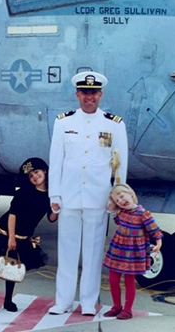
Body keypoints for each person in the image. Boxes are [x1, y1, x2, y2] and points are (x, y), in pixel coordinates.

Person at [48, 71, 128, 316]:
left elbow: (120, 164)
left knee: (93, 254)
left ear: (100, 94)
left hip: (98, 197)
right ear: (77, 94)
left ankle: (88, 303)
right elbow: (56, 160)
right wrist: (55, 195)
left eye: (93, 93)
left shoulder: (114, 124)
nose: (88, 97)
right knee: (67, 251)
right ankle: (63, 301)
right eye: (84, 92)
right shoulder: (64, 122)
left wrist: (117, 197)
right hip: (69, 196)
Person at [0, 157, 58, 314]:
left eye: (36, 172)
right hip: (7, 230)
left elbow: (51, 218)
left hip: (24, 235)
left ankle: (8, 299)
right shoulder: (24, 192)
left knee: (13, 265)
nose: (35, 177)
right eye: (31, 176)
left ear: (45, 171)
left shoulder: (50, 194)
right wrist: (11, 238)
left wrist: (57, 209)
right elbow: (12, 214)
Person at [103, 183, 163, 320]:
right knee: (113, 279)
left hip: (133, 252)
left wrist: (159, 242)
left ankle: (128, 309)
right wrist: (112, 208)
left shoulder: (143, 214)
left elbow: (154, 229)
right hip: (118, 249)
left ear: (131, 194)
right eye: (117, 200)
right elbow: (118, 221)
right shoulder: (121, 213)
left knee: (129, 280)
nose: (121, 201)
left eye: (122, 196)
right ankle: (116, 306)